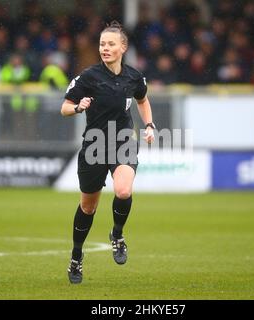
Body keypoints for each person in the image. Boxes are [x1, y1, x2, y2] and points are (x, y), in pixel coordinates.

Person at [60, 21, 155, 284]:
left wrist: (149, 124)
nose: (105, 48)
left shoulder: (134, 77)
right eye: (102, 44)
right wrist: (79, 107)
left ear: (123, 47)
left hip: (123, 140)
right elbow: (65, 108)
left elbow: (143, 99)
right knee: (88, 207)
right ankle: (76, 256)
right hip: (94, 144)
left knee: (124, 190)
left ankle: (117, 234)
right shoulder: (89, 77)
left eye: (111, 44)